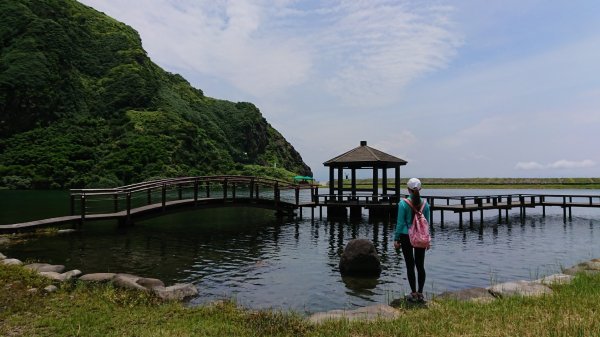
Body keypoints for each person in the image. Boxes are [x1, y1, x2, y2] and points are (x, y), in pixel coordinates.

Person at [393, 178, 431, 303]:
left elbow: (399, 223)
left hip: (405, 236)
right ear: (420, 189)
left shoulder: (403, 203)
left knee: (410, 265)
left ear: (408, 189)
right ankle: (420, 293)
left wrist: (396, 238)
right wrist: (428, 240)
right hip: (421, 236)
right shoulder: (426, 205)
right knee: (420, 265)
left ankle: (413, 293)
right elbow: (427, 224)